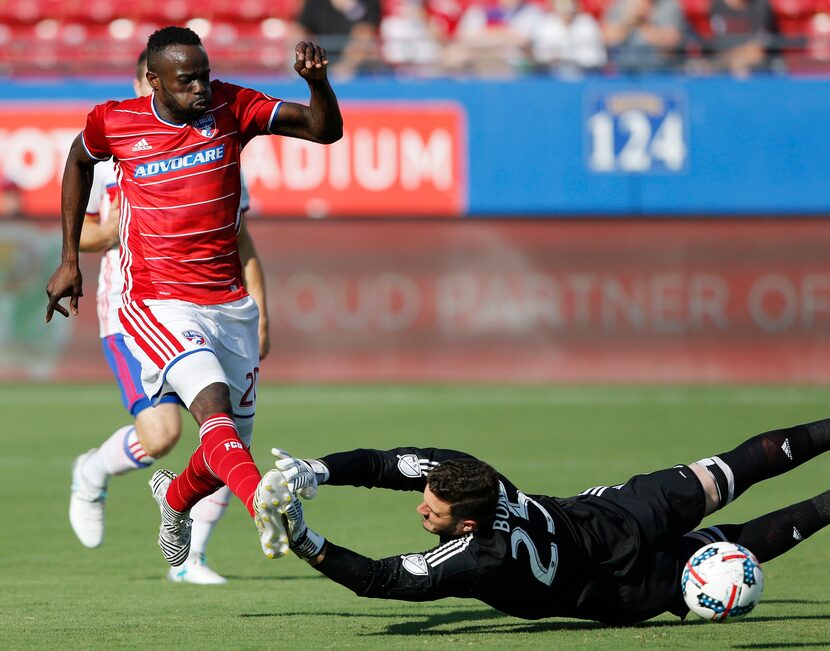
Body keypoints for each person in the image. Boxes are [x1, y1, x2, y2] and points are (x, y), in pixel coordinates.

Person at [46, 26, 343, 568]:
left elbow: (324, 131)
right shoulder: (116, 120)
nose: (202, 88)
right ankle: (266, 505)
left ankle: (174, 498)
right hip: (155, 300)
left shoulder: (235, 106)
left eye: (204, 75)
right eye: (188, 81)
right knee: (210, 413)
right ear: (153, 82)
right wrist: (70, 257)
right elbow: (77, 160)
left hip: (229, 304)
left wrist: (318, 86)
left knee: (225, 450)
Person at [268, 419, 830, 624]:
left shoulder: (477, 558)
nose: (420, 505)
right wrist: (314, 472)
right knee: (725, 476)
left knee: (725, 548)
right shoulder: (477, 477)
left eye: (432, 509)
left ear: (465, 525)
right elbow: (389, 466)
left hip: (614, 590)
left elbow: (379, 580)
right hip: (610, 520)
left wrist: (301, 537)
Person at [68, 48, 270, 585]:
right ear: (146, 82)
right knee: (162, 435)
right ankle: (91, 471)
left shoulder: (214, 143)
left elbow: (241, 238)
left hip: (214, 305)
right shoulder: (118, 153)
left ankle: (192, 557)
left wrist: (261, 310)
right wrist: (120, 229)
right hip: (134, 304)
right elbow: (79, 232)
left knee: (223, 431)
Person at [601, 0, 686, 72]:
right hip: (624, 71)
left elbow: (672, 42)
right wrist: (631, 19)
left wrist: (644, 22)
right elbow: (608, 39)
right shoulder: (620, 4)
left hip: (661, 71)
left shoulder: (669, 5)